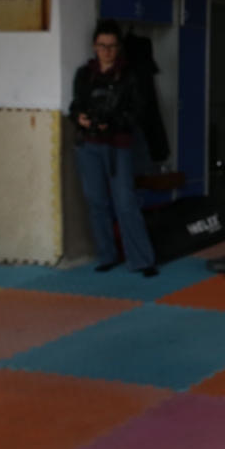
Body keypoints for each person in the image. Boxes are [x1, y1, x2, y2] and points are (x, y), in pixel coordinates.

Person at [70, 19, 158, 277]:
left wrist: (113, 122)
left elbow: (138, 111)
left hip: (118, 145)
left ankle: (141, 259)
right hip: (89, 145)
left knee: (125, 201)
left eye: (111, 46)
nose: (106, 51)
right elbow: (76, 105)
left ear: (118, 47)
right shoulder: (85, 74)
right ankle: (106, 255)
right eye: (101, 45)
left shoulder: (130, 75)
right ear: (94, 46)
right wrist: (80, 118)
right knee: (96, 202)